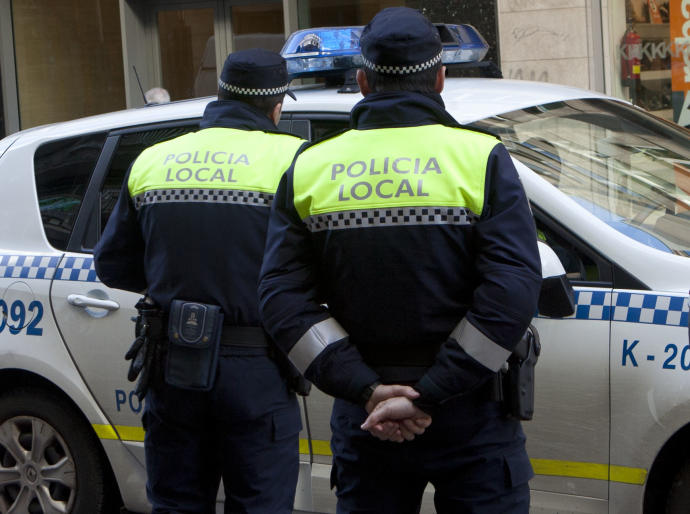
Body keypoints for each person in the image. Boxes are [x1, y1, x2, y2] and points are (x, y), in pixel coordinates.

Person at [258, 7, 542, 514]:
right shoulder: (480, 158)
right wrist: (429, 394)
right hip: (472, 412)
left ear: (363, 82)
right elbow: (511, 291)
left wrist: (366, 389)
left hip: (366, 419)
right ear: (439, 78)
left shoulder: (311, 167)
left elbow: (283, 302)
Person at [94, 48, 305, 514]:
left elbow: (111, 265)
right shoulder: (297, 160)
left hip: (174, 364)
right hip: (258, 367)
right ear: (276, 106)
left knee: (177, 503)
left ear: (222, 95)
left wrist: (176, 278)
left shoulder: (154, 160)